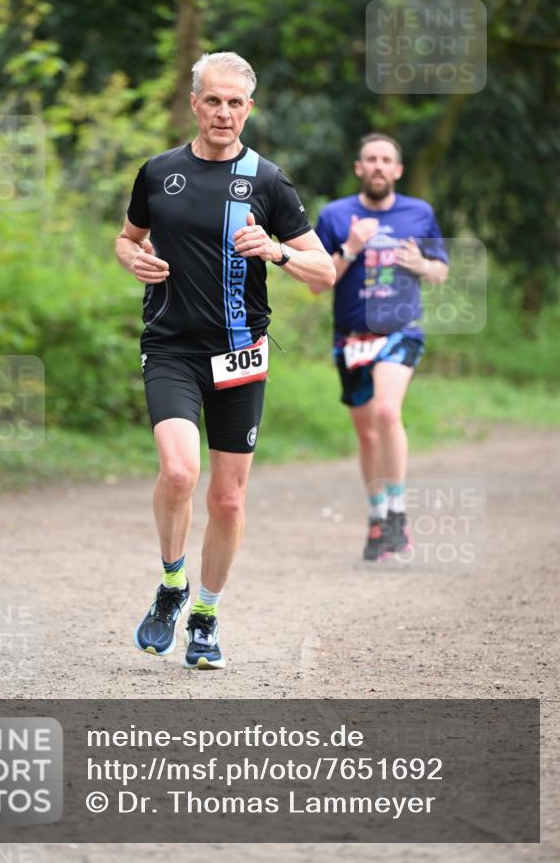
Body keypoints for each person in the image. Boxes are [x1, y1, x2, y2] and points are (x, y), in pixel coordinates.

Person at [115, 52, 335, 668]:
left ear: (250, 109)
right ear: (194, 103)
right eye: (213, 100)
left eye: (236, 102)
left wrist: (276, 251)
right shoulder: (159, 173)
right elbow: (127, 238)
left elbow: (325, 273)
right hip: (171, 348)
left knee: (229, 501)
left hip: (240, 353)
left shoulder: (268, 181)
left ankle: (205, 616)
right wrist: (131, 259)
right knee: (181, 473)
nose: (224, 112)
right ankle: (171, 584)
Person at [313, 133, 449, 561]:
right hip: (352, 338)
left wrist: (421, 264)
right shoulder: (335, 216)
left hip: (401, 331)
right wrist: (351, 248)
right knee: (367, 435)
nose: (377, 166)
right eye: (370, 159)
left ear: (397, 170)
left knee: (388, 412)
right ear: (359, 168)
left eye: (385, 159)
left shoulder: (419, 213)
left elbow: (440, 272)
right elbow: (318, 281)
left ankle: (397, 514)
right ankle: (377, 519)